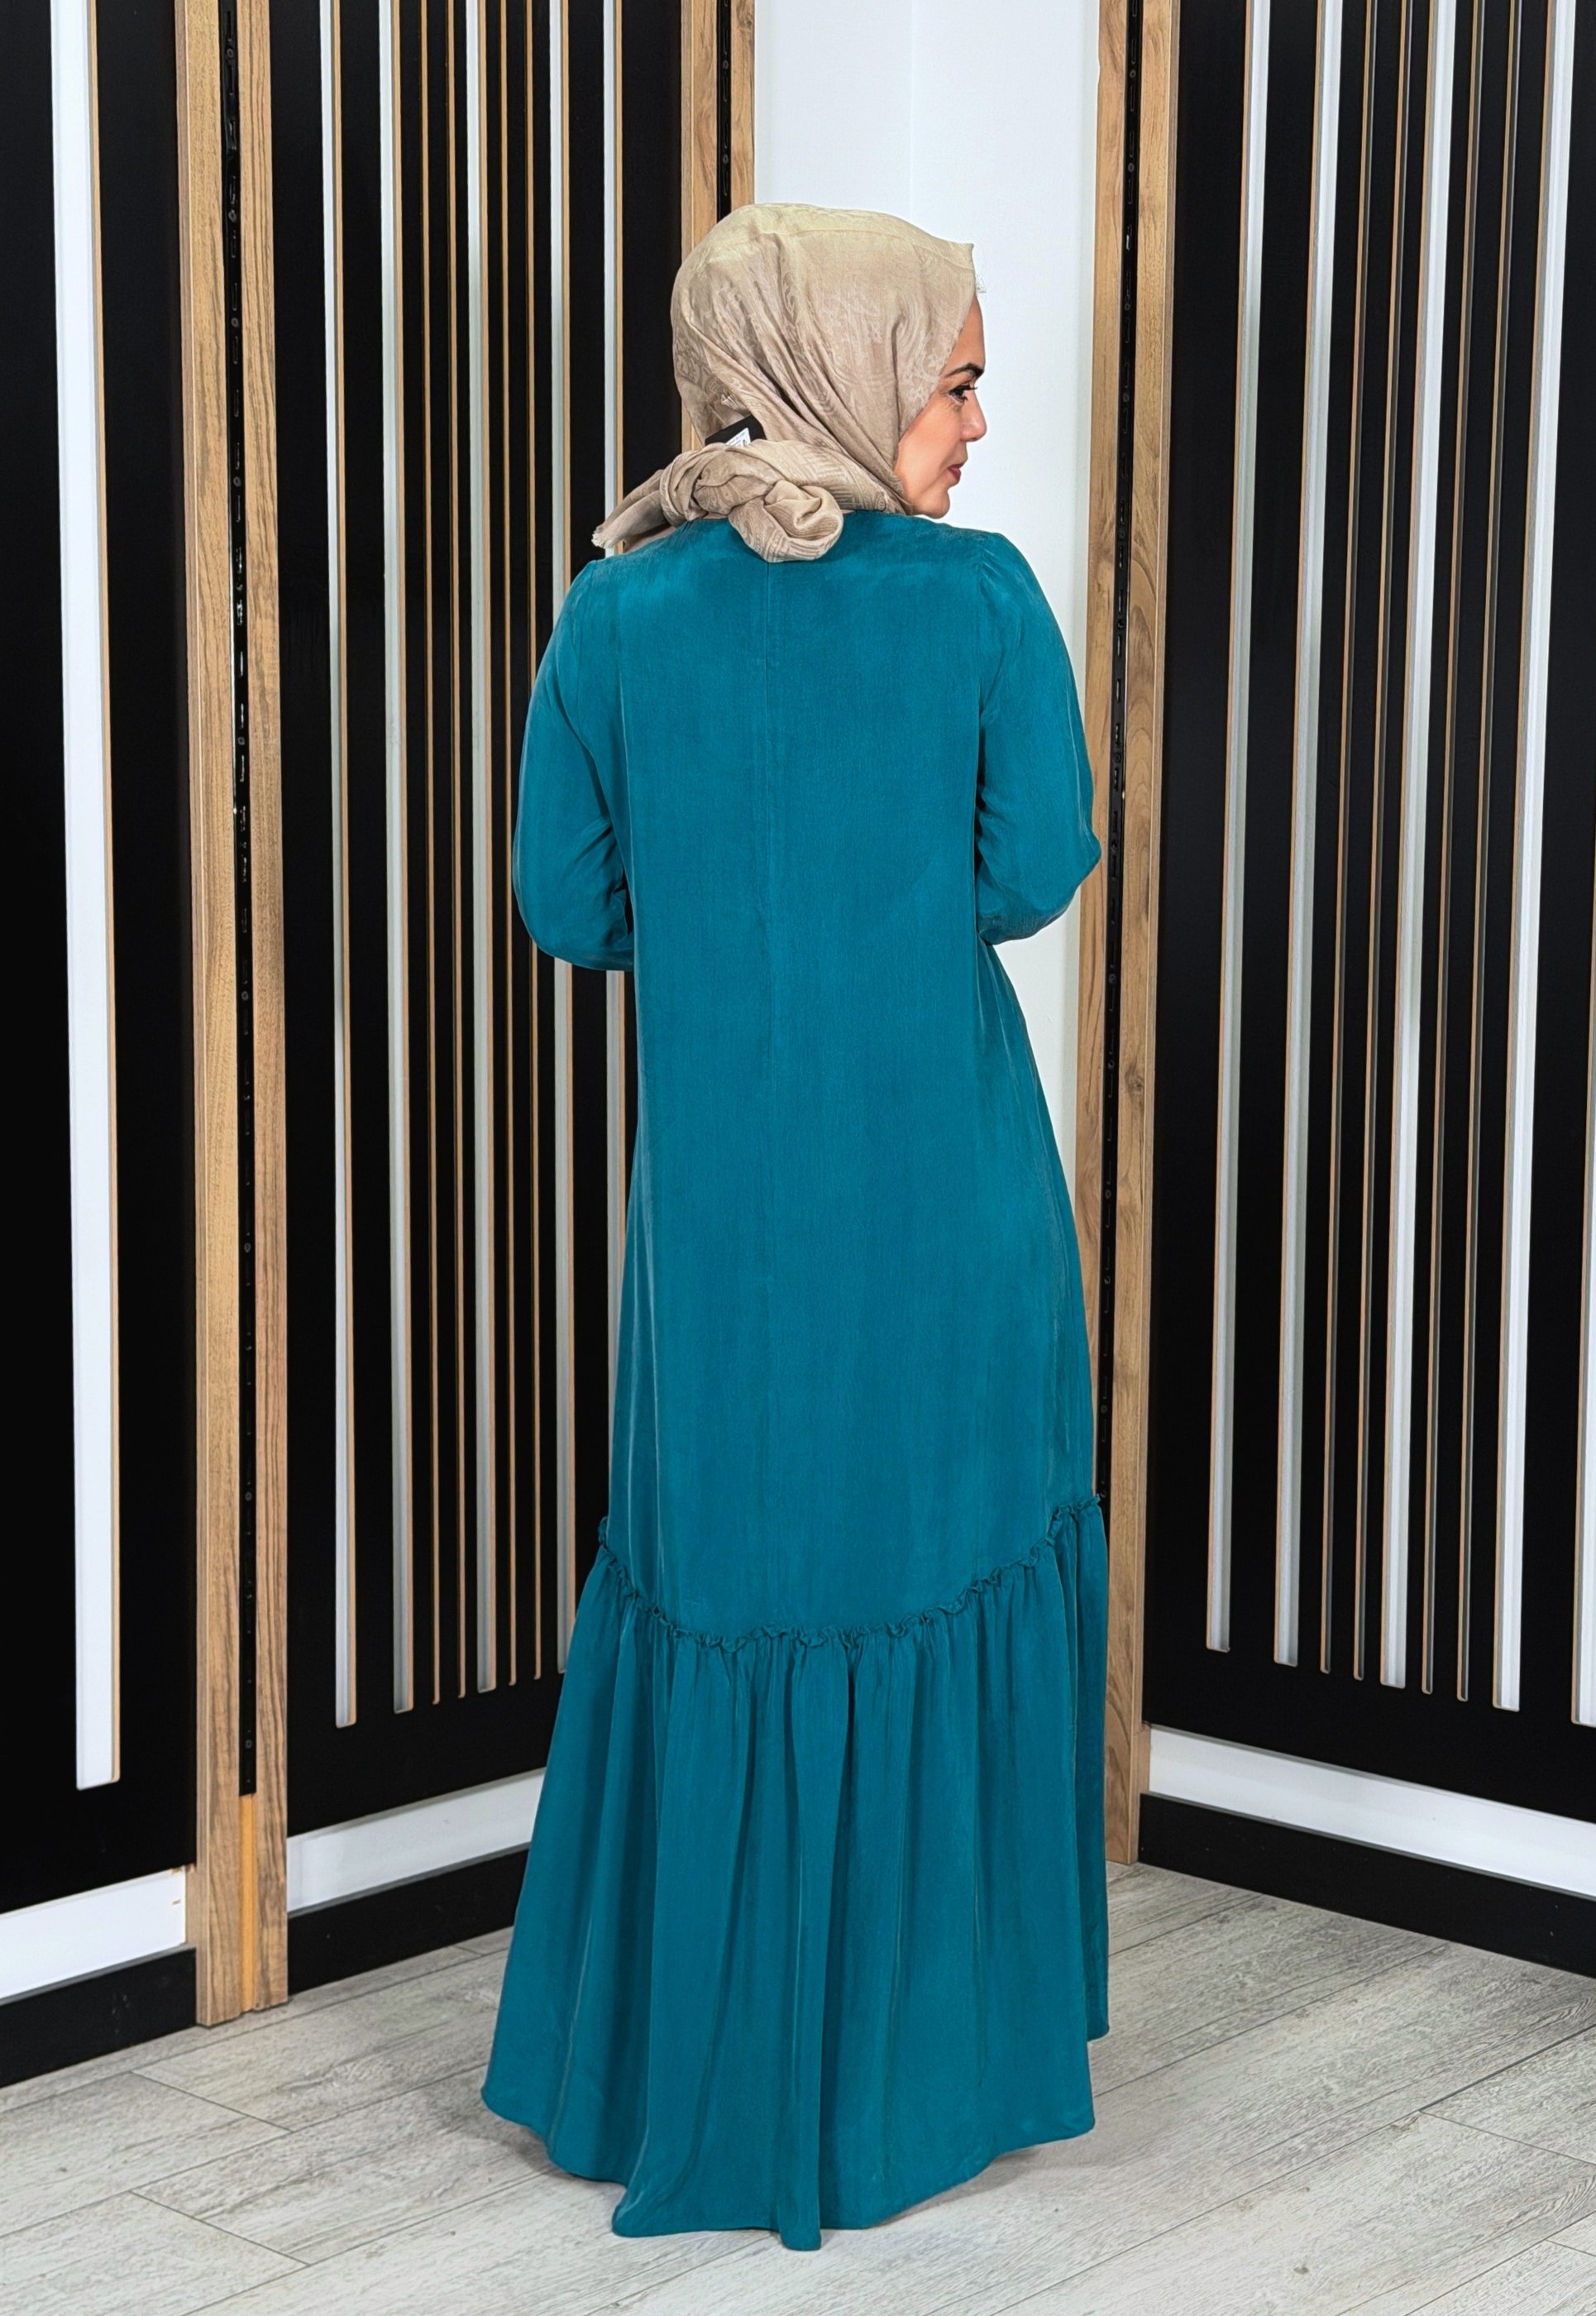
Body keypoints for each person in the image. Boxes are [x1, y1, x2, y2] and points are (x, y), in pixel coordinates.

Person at [481, 200, 1107, 2252]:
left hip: (724, 1227)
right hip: (944, 1196)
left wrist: (733, 912)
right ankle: (922, 2069)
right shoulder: (979, 599)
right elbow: (1030, 871)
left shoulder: (619, 609)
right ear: (849, 369)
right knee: (941, 1568)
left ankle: (703, 2073)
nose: (978, 425)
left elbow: (569, 906)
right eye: (956, 382)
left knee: (727, 1590)